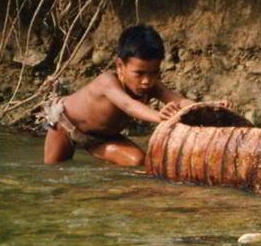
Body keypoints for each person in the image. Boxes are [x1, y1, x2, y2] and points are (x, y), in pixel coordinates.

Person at [43, 24, 228, 166]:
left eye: (153, 72)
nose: (147, 81)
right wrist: (159, 117)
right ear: (120, 67)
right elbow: (129, 106)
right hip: (65, 125)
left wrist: (210, 107)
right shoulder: (107, 82)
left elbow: (179, 101)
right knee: (53, 175)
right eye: (139, 73)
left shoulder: (152, 85)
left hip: (102, 137)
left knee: (138, 161)